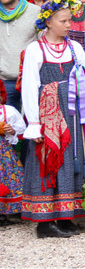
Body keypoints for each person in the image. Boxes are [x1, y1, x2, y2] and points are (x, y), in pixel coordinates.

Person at [21, 0, 85, 238]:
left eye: (70, 20)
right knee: (48, 162)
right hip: (48, 115)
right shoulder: (35, 49)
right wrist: (34, 124)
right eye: (64, 21)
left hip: (71, 114)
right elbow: (30, 87)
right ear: (48, 22)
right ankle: (44, 221)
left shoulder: (75, 48)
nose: (69, 25)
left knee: (71, 160)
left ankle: (66, 215)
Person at [0, 0, 40, 110]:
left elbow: (43, 46)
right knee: (7, 128)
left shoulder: (36, 12)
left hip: (30, 80)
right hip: (4, 83)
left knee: (32, 126)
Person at [0, 89, 26, 227]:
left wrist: (12, 130)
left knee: (9, 177)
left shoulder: (8, 111)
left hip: (4, 151)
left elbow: (21, 127)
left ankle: (6, 212)